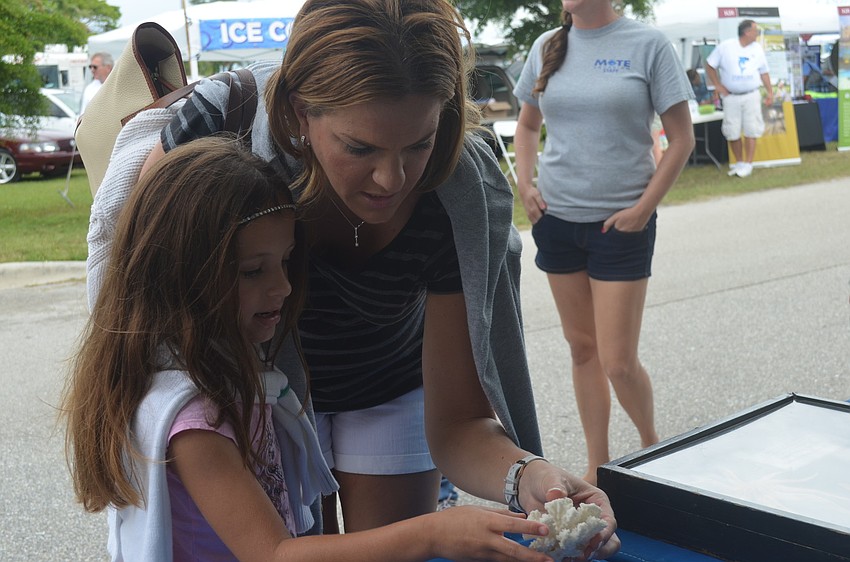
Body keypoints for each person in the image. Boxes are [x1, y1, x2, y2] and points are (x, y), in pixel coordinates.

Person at [130, 0, 619, 558]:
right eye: (359, 147)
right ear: (297, 114)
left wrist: (527, 475)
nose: (392, 179)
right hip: (247, 387)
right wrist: (436, 530)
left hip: (391, 380)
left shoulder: (457, 198)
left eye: (419, 144)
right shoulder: (214, 136)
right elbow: (143, 304)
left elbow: (459, 423)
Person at [63, 136, 564, 562]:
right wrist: (433, 531)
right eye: (252, 270)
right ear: (179, 271)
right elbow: (274, 553)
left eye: (285, 261)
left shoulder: (233, 375)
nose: (282, 287)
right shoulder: (197, 421)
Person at [511, 0, 695, 485]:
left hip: (621, 225)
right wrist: (524, 183)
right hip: (556, 220)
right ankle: (599, 466)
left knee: (618, 360)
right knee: (581, 349)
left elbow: (681, 139)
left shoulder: (648, 44)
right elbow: (527, 126)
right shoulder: (546, 46)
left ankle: (654, 448)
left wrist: (643, 209)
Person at [704, 19, 774, 178]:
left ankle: (748, 163)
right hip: (731, 96)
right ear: (746, 32)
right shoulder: (726, 47)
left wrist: (770, 92)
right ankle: (739, 162)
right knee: (732, 130)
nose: (757, 33)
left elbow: (764, 72)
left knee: (751, 128)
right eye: (755, 30)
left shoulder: (757, 49)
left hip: (751, 94)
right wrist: (718, 85)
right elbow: (710, 64)